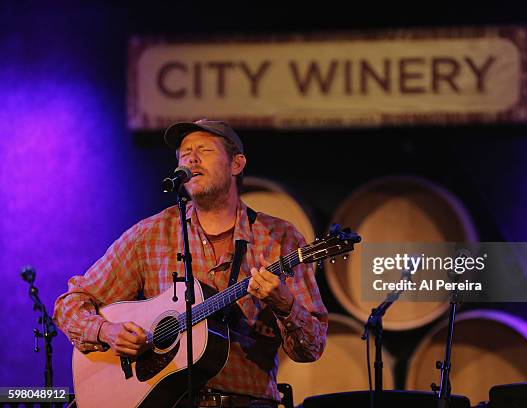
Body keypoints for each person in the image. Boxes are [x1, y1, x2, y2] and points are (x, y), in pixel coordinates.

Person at [53, 118, 328, 407]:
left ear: (237, 164)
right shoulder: (150, 234)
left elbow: (311, 348)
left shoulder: (279, 238)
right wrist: (108, 332)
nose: (191, 158)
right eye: (185, 153)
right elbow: (70, 302)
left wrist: (285, 305)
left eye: (204, 150)